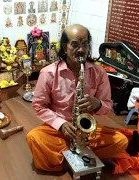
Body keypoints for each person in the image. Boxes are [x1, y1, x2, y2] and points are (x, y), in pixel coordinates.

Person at [26, 24, 129, 172]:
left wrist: (97, 104)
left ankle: (68, 156)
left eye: (85, 44)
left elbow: (107, 105)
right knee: (33, 138)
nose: (81, 50)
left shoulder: (99, 73)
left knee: (120, 141)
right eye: (74, 44)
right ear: (64, 46)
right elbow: (39, 105)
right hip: (58, 130)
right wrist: (60, 124)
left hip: (87, 131)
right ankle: (78, 157)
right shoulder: (47, 73)